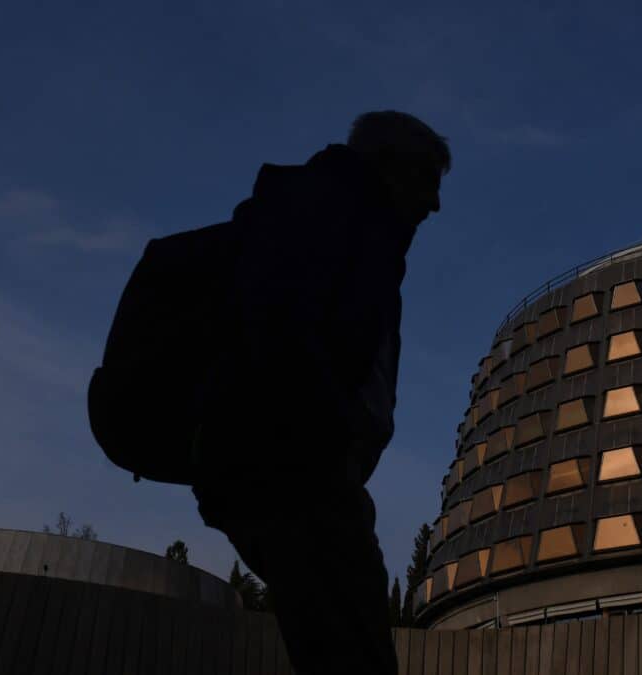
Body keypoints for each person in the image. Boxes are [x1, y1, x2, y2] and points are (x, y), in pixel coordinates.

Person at [190, 111, 449, 674]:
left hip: (298, 466)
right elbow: (280, 329)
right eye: (428, 178)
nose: (435, 203)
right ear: (388, 165)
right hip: (293, 466)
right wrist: (329, 433)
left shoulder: (358, 235)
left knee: (339, 641)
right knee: (352, 646)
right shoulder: (327, 215)